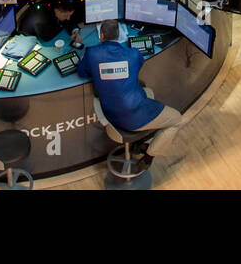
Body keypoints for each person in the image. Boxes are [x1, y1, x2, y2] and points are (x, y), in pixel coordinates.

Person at [78, 20, 183, 165]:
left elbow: (82, 72)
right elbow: (138, 65)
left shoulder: (91, 53)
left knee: (147, 94)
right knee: (177, 119)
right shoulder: (133, 53)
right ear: (119, 35)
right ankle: (148, 156)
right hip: (135, 115)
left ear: (101, 35)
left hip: (110, 114)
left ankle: (140, 146)